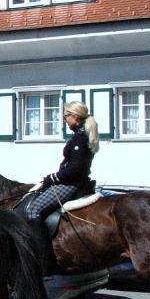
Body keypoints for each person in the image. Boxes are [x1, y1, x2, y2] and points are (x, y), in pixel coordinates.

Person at [25, 100, 100, 267]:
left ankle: (44, 260)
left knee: (33, 211)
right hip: (73, 182)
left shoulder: (80, 138)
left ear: (76, 117)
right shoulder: (81, 135)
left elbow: (75, 169)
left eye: (66, 116)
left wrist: (53, 177)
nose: (65, 120)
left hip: (70, 184)